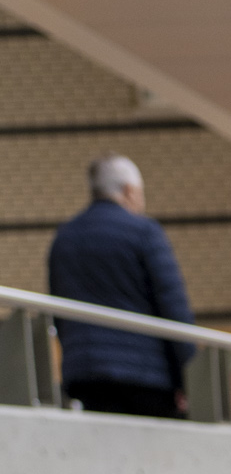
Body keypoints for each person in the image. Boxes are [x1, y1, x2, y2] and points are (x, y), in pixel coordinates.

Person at [47, 155, 197, 418]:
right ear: (129, 191)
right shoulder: (144, 232)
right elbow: (173, 307)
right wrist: (190, 376)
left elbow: (59, 311)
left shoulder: (64, 237)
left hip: (86, 375)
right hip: (147, 375)